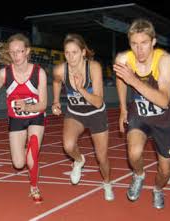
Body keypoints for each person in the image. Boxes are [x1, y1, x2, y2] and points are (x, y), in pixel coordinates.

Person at [113, 18, 170, 209]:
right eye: (134, 44)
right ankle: (139, 175)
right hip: (140, 115)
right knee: (133, 153)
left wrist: (133, 81)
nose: (139, 50)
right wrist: (122, 109)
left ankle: (158, 189)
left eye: (144, 43)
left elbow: (162, 100)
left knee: (165, 170)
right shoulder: (123, 59)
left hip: (165, 118)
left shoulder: (164, 60)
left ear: (153, 41)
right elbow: (121, 80)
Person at [52, 33, 114, 201]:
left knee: (101, 157)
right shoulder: (60, 69)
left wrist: (81, 89)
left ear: (83, 52)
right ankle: (79, 161)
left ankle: (107, 183)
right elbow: (57, 82)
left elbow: (98, 101)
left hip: (96, 113)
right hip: (75, 113)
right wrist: (56, 101)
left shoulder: (93, 67)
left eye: (74, 52)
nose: (70, 57)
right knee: (68, 146)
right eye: (67, 53)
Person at [0, 33, 48, 203]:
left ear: (27, 51)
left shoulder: (39, 73)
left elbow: (43, 104)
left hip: (36, 116)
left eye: (19, 51)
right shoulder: (4, 74)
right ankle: (28, 148)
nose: (16, 56)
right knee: (19, 163)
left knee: (32, 154)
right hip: (16, 119)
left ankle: (34, 187)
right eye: (12, 52)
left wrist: (28, 107)